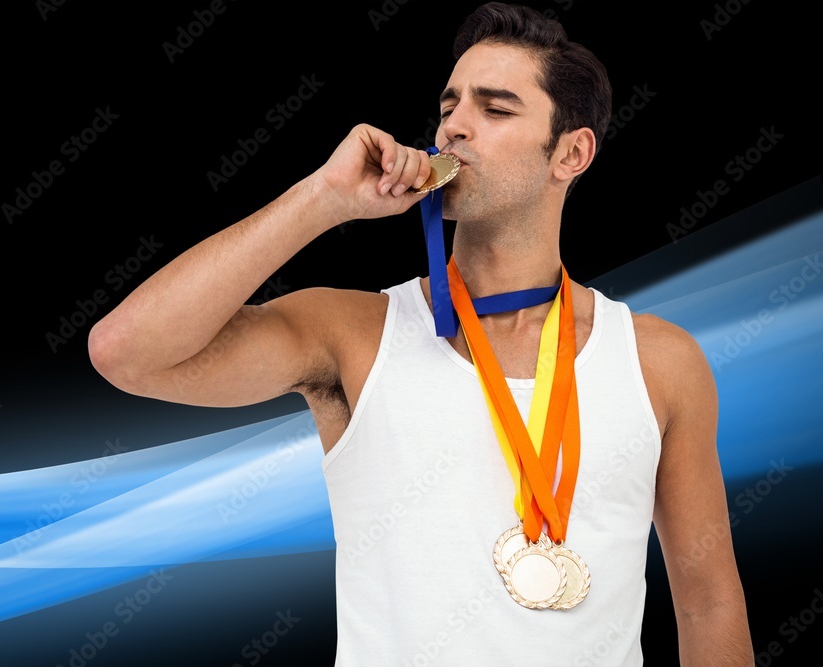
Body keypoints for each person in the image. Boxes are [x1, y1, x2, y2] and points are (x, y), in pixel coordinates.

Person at [88, 2, 753, 664]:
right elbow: (127, 353)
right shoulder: (352, 335)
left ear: (571, 153)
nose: (454, 128)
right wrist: (324, 197)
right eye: (448, 106)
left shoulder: (660, 361)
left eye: (494, 110)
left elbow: (707, 600)